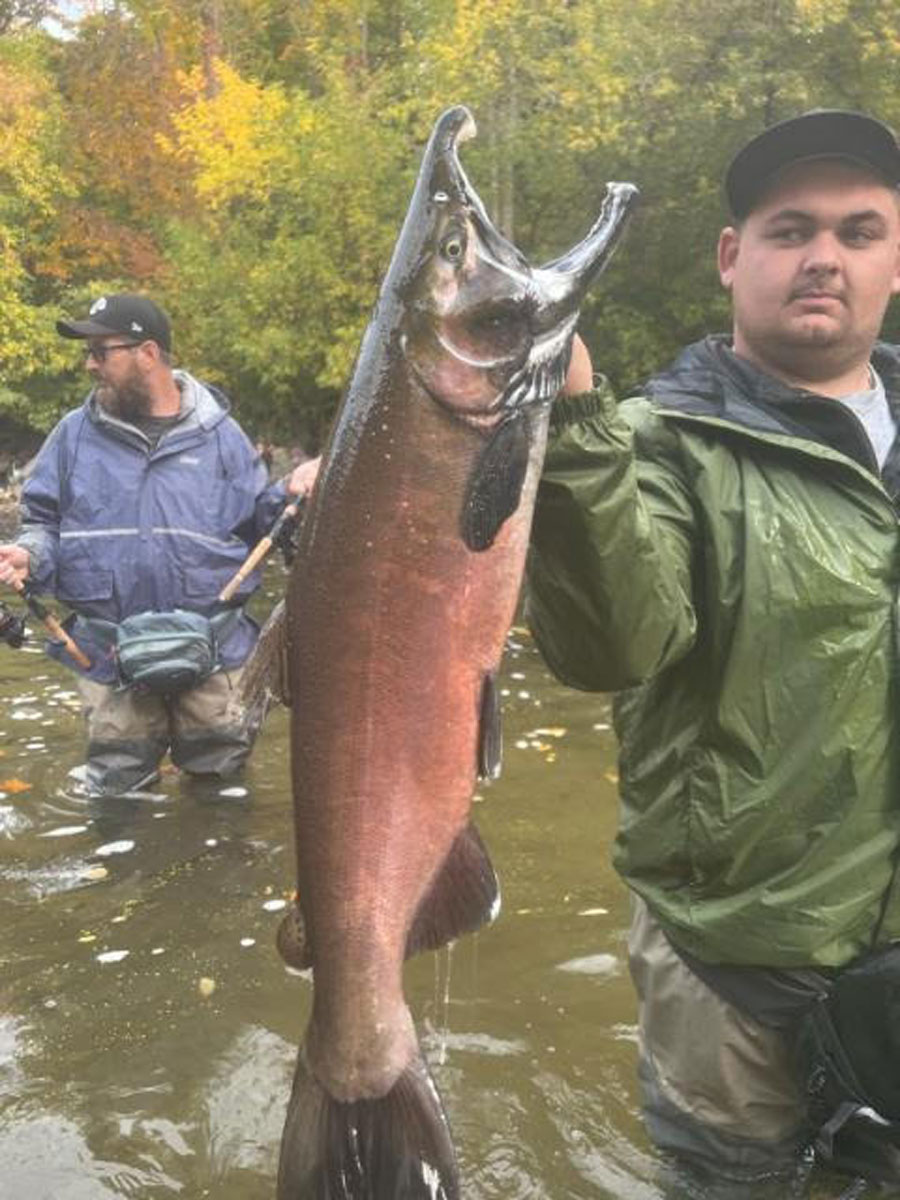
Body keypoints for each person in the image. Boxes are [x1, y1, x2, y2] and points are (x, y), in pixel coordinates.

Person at [526, 110, 900, 1195]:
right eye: (790, 229)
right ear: (734, 256)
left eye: (859, 230)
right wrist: (577, 431)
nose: (824, 255)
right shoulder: (646, 444)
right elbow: (610, 647)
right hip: (728, 967)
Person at [0, 293, 319, 797]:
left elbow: (263, 519)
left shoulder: (222, 437)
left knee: (221, 793)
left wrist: (295, 489)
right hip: (107, 657)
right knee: (116, 796)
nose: (89, 364)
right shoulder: (71, 437)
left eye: (101, 351)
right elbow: (42, 523)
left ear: (147, 353)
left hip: (215, 653)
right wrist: (27, 554)